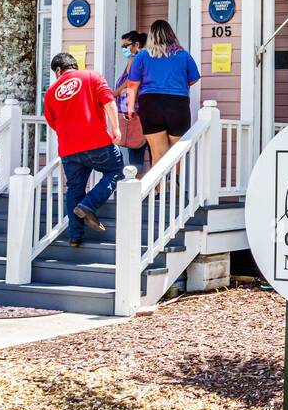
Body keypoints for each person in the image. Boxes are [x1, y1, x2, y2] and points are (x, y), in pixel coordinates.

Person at [43, 52, 124, 247]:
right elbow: (108, 101)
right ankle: (88, 205)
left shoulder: (51, 92)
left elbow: (52, 122)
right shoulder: (92, 76)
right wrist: (116, 128)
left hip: (69, 149)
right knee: (115, 170)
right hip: (97, 142)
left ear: (58, 70)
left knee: (74, 188)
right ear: (74, 66)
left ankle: (75, 236)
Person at [124, 19, 201, 165]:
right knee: (177, 153)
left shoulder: (142, 55)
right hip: (177, 104)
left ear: (151, 36)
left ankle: (160, 188)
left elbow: (133, 84)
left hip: (150, 104)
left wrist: (130, 108)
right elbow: (193, 79)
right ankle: (175, 186)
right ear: (171, 35)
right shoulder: (183, 55)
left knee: (158, 154)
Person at [114, 30, 149, 170]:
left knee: (135, 159)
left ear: (136, 45)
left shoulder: (136, 59)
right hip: (134, 113)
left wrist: (114, 93)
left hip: (135, 114)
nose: (124, 49)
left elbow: (131, 82)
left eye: (126, 46)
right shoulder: (135, 59)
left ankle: (139, 188)